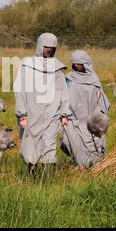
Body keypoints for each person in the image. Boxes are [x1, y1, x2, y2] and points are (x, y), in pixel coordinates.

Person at [13, 33, 71, 176]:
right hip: (31, 113)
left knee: (49, 144)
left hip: (51, 114)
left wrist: (64, 114)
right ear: (40, 46)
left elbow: (63, 91)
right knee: (30, 145)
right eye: (46, 47)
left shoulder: (57, 69)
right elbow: (20, 90)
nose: (48, 50)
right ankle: (29, 176)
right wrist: (22, 115)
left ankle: (47, 179)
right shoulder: (27, 66)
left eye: (52, 48)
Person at [60, 50, 110, 170]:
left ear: (85, 63)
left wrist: (100, 116)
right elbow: (63, 96)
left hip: (88, 119)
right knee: (67, 141)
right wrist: (63, 114)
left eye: (79, 63)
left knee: (91, 145)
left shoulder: (93, 79)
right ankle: (77, 161)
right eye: (74, 63)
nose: (76, 65)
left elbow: (101, 99)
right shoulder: (68, 78)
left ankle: (89, 167)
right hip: (72, 117)